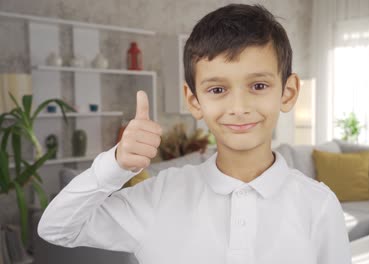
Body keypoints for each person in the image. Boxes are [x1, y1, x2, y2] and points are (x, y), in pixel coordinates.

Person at [37, 3, 351, 264]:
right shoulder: (160, 195)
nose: (238, 107)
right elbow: (57, 228)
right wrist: (115, 164)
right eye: (217, 89)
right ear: (193, 101)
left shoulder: (319, 205)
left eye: (258, 85)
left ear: (288, 91)